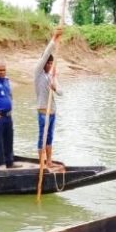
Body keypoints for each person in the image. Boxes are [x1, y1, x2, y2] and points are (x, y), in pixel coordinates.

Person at [35, 27, 64, 168]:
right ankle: (42, 163)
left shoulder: (51, 76)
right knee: (42, 137)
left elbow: (61, 92)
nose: (49, 65)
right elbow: (47, 53)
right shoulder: (38, 73)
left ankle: (49, 161)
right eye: (48, 63)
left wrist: (55, 87)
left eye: (51, 63)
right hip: (43, 113)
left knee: (50, 138)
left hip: (52, 112)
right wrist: (54, 38)